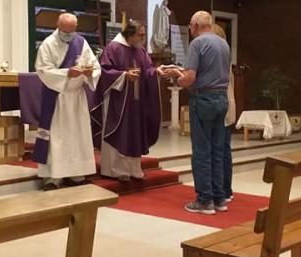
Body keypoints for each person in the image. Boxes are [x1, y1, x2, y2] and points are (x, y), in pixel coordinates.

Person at [170, 11, 230, 215]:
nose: (190, 29)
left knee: (202, 152)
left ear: (194, 25)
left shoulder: (197, 44)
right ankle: (220, 198)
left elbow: (190, 78)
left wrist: (178, 77)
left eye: (190, 25)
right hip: (222, 99)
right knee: (217, 150)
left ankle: (205, 200)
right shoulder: (223, 43)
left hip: (203, 100)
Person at [33, 13, 101, 191]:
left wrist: (89, 72)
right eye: (65, 31)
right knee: (58, 137)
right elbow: (42, 69)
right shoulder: (48, 44)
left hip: (76, 97)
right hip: (57, 97)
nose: (69, 35)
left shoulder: (81, 42)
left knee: (77, 136)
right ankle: (53, 178)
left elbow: (94, 65)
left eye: (72, 31)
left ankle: (77, 174)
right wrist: (66, 73)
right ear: (58, 26)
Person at [93, 20, 164, 181]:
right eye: (141, 35)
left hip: (136, 102)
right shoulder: (113, 48)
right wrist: (125, 76)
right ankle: (115, 170)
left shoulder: (140, 50)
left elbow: (148, 70)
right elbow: (104, 72)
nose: (144, 38)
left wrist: (157, 72)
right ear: (130, 34)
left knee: (134, 134)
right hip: (118, 102)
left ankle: (133, 169)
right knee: (120, 132)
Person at [212, 23, 236, 204]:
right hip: (227, 104)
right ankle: (226, 189)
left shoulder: (217, 58)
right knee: (224, 150)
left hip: (221, 104)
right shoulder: (225, 56)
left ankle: (222, 189)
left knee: (221, 151)